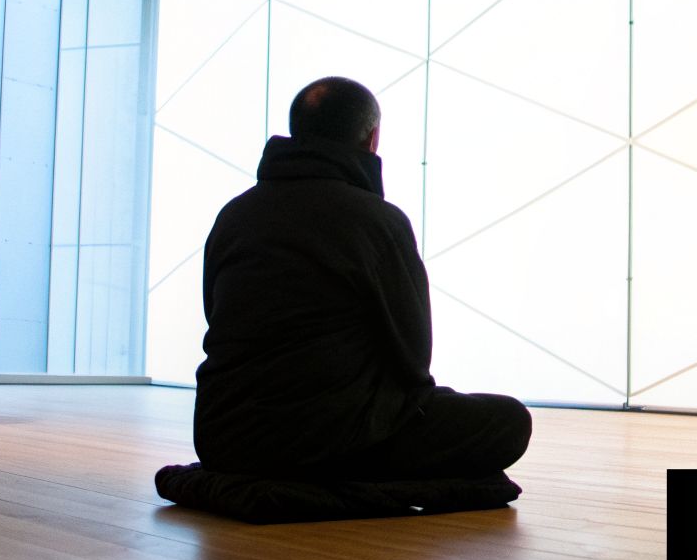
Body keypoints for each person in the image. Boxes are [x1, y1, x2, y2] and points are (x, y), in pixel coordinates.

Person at [169, 76, 530, 517]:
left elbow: (216, 318)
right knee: (509, 422)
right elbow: (414, 357)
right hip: (332, 441)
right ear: (372, 138)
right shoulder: (378, 221)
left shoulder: (234, 215)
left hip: (225, 440)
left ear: (294, 131)